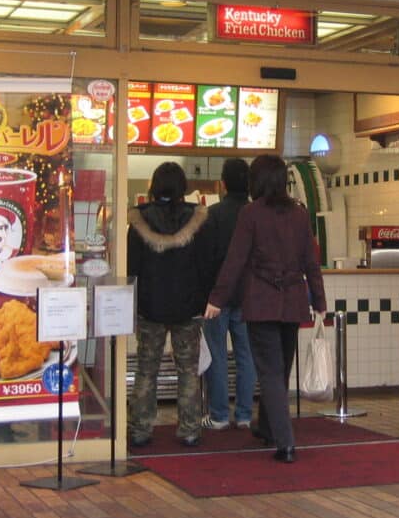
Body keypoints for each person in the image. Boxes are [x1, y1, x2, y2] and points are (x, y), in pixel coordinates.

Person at [205, 155, 327, 463]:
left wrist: (216, 299)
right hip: (293, 303)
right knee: (280, 371)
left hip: (262, 301)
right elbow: (311, 261)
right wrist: (319, 302)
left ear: (256, 181)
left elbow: (236, 259)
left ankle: (285, 443)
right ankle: (268, 428)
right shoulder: (299, 214)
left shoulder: (251, 214)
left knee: (271, 373)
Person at [127, 162, 215, 448]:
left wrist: (135, 304)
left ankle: (140, 429)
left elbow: (132, 268)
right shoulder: (198, 219)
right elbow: (205, 267)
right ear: (182, 187)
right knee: (188, 369)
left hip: (149, 308)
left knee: (146, 368)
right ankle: (189, 429)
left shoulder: (139, 222)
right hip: (188, 308)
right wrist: (203, 301)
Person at [202, 158, 257, 431]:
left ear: (222, 184)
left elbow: (206, 259)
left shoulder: (212, 215)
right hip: (250, 296)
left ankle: (220, 415)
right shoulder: (256, 213)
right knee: (246, 355)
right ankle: (245, 415)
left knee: (217, 354)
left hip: (217, 298)